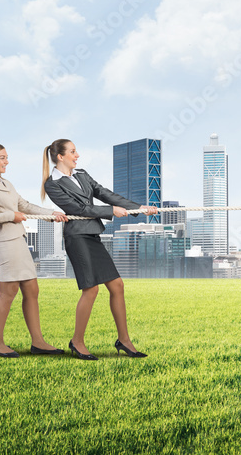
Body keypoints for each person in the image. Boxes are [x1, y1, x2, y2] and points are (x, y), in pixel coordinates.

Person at [41, 139, 157, 360]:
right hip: (77, 238)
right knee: (91, 289)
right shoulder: (52, 184)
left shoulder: (82, 175)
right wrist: (111, 211)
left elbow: (104, 193)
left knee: (117, 285)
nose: (78, 155)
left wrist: (137, 208)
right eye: (73, 152)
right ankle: (77, 341)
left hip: (92, 236)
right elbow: (78, 208)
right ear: (60, 157)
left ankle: (124, 340)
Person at [0, 142, 67, 358]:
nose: (7, 161)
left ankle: (38, 342)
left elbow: (24, 205)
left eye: (7, 157)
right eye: (3, 157)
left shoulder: (6, 183)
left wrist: (50, 213)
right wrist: (10, 215)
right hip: (6, 241)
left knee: (32, 290)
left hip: (18, 239)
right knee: (9, 291)